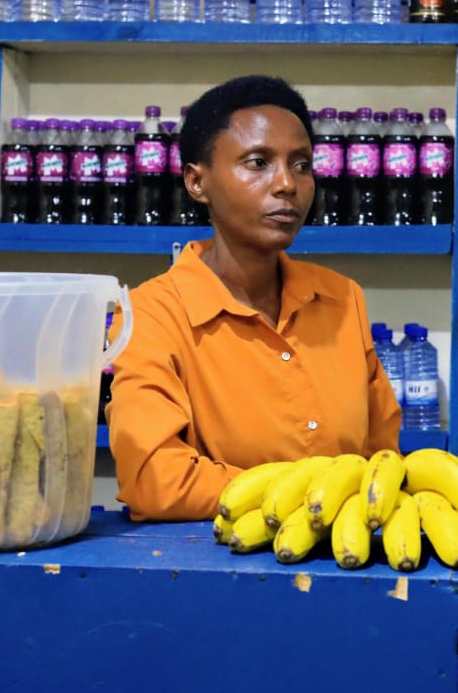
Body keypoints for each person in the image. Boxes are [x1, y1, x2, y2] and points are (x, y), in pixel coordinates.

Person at [108, 76, 403, 521]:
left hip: (346, 550)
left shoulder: (343, 298)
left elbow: (383, 459)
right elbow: (156, 482)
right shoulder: (151, 314)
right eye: (258, 162)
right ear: (196, 182)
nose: (287, 184)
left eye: (301, 165)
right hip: (217, 556)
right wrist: (313, 495)